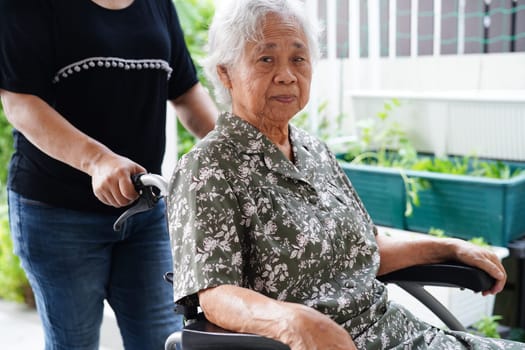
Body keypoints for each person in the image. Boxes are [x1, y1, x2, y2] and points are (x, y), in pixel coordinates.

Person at [166, 1, 524, 349]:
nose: (287, 74)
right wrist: (293, 322)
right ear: (226, 73)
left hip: (398, 333)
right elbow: (215, 294)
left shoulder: (313, 150)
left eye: (298, 58)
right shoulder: (209, 166)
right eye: (266, 59)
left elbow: (366, 250)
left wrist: (448, 248)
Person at [0, 0, 217, 349]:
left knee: (163, 340)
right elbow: (20, 102)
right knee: (74, 343)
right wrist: (97, 160)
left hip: (145, 212)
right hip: (57, 215)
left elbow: (186, 92)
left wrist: (236, 150)